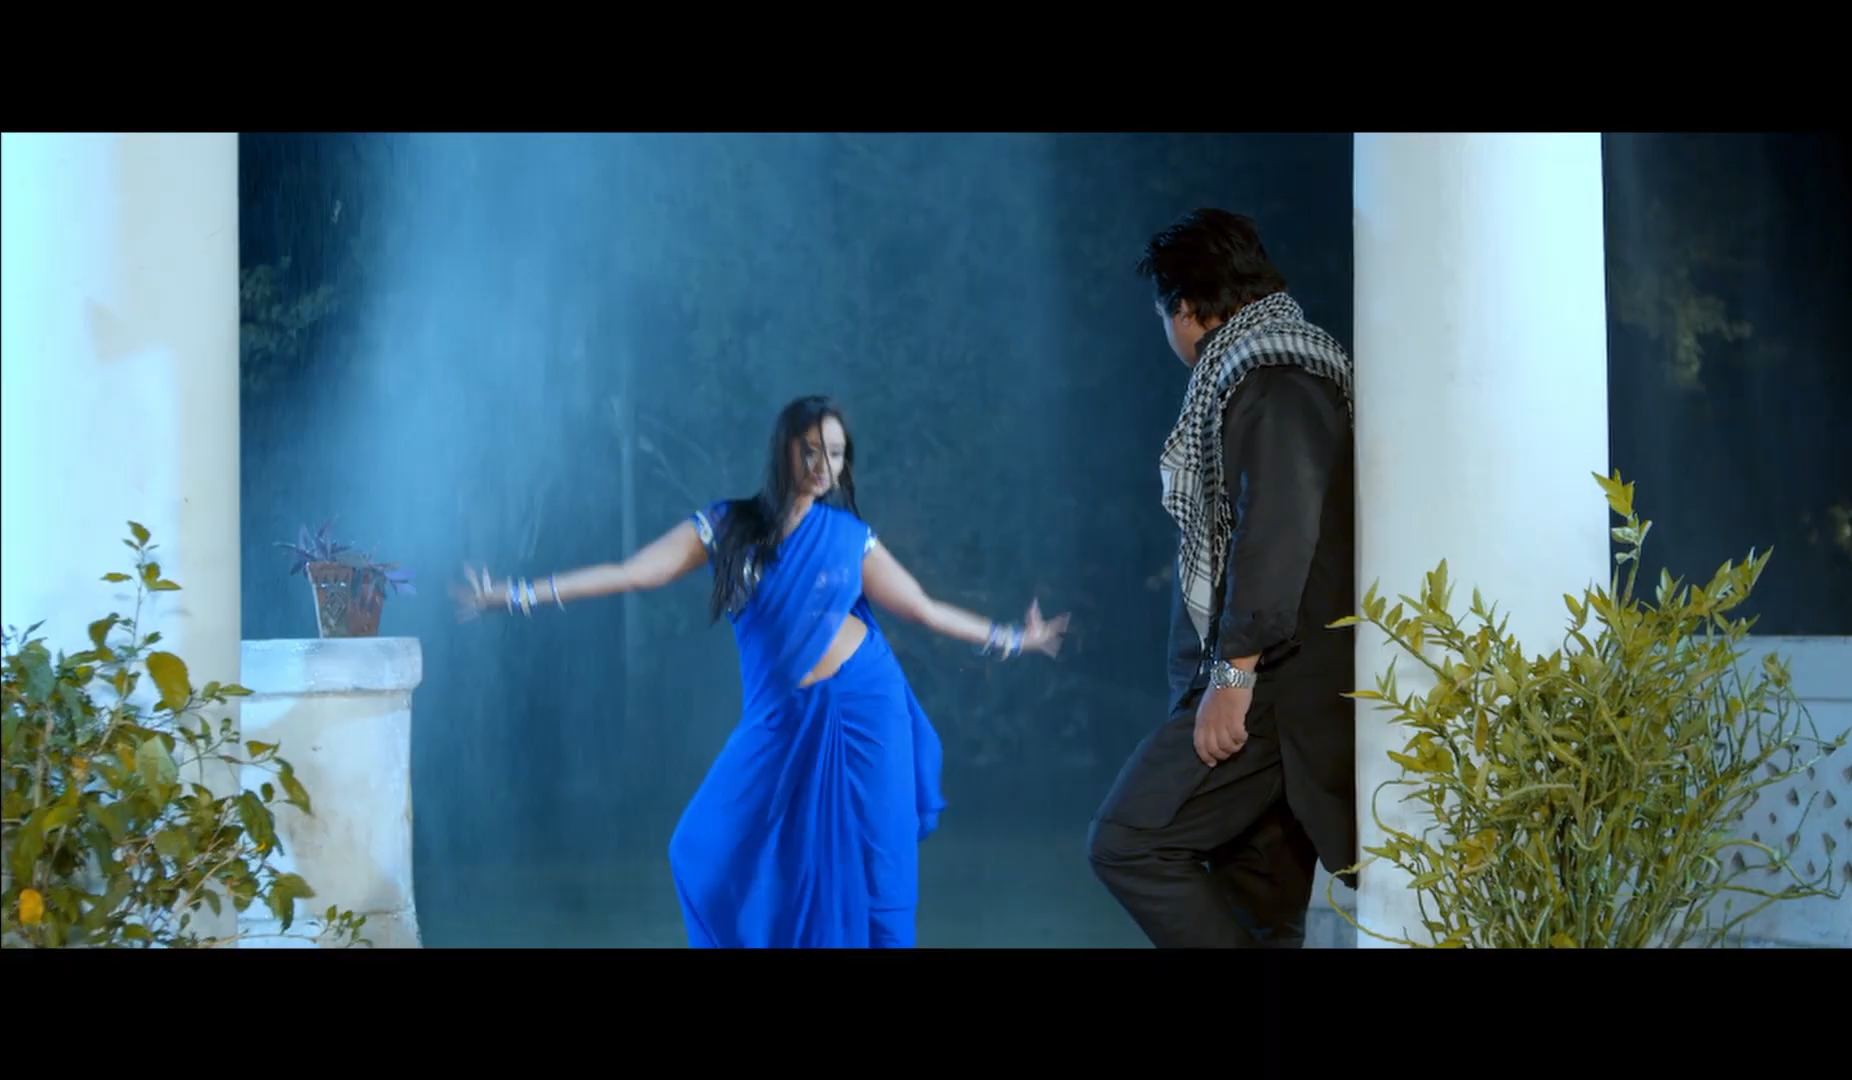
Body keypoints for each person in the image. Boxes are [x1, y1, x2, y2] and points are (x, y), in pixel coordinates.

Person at [456, 394, 1070, 949]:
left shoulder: (849, 535)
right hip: (780, 723)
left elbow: (925, 609)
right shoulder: (728, 526)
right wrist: (514, 596)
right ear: (784, 450)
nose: (824, 464)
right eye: (811, 450)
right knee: (700, 849)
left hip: (868, 708)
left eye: (835, 453)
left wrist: (1017, 639)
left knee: (880, 878)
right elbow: (634, 572)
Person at [1087, 208, 1358, 949]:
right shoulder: (1268, 369)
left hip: (1272, 694)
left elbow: (1277, 530)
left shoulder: (1275, 376)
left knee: (1127, 842)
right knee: (1258, 913)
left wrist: (1233, 677)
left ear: (1184, 307)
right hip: (1277, 694)